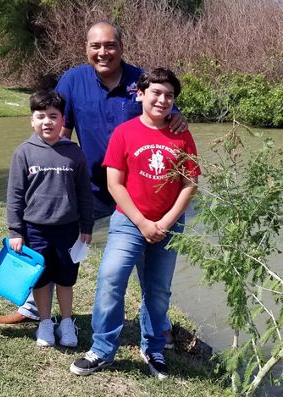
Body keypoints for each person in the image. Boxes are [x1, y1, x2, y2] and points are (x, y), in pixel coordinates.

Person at [0, 21, 186, 348]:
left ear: (121, 47)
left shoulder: (141, 81)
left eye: (109, 45)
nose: (103, 52)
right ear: (86, 48)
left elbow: (167, 114)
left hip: (135, 193)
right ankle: (32, 307)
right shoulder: (73, 79)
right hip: (89, 187)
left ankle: (158, 323)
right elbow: (55, 127)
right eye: (95, 46)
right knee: (52, 242)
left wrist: (179, 118)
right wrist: (35, 159)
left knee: (144, 256)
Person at [69, 67, 200, 379]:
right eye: (156, 92)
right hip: (129, 221)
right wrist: (142, 222)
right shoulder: (125, 133)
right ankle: (102, 350)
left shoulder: (181, 134)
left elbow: (190, 183)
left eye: (169, 95)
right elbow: (115, 184)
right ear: (140, 94)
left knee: (157, 291)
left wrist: (166, 221)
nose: (162, 99)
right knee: (111, 279)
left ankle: (153, 348)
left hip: (169, 226)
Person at [6, 90, 94, 347]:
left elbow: (84, 193)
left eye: (53, 116)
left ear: (62, 120)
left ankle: (66, 322)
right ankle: (45, 322)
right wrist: (16, 231)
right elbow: (15, 195)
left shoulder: (74, 153)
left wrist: (86, 226)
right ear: (32, 120)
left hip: (68, 229)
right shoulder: (23, 152)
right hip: (35, 229)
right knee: (41, 278)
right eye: (40, 116)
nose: (47, 122)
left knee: (66, 277)